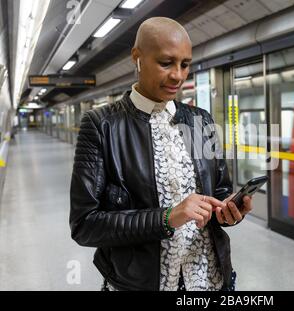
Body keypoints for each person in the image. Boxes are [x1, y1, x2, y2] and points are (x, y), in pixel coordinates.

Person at [69, 17, 253, 291]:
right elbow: (85, 225)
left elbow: (220, 193)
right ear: (137, 57)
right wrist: (167, 217)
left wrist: (228, 211)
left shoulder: (201, 120)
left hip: (210, 281)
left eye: (185, 64)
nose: (178, 75)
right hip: (139, 283)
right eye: (166, 63)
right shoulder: (101, 125)